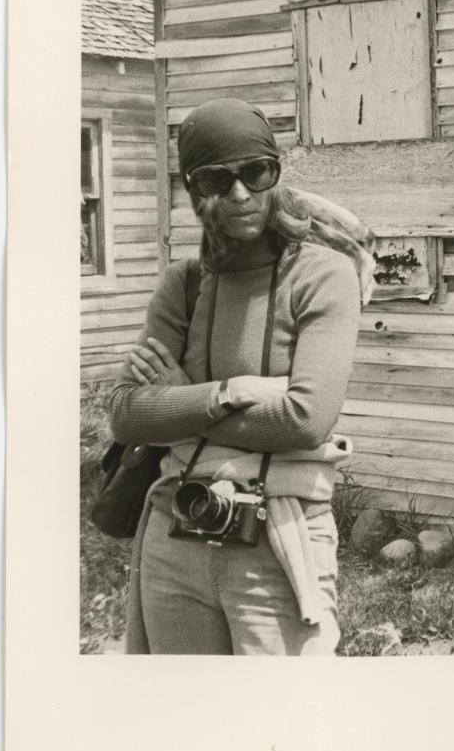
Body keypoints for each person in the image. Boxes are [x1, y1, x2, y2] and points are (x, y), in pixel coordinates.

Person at [108, 98, 362, 655]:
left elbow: (304, 421)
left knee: (281, 731)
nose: (241, 193)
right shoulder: (185, 283)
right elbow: (126, 414)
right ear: (194, 191)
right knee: (184, 727)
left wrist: (178, 402)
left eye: (256, 171)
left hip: (277, 540)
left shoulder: (321, 276)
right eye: (217, 180)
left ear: (276, 172)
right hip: (174, 536)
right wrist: (231, 393)